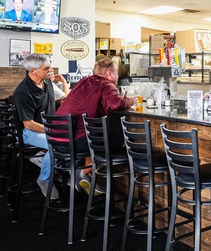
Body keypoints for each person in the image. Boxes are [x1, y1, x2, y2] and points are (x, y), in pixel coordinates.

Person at [55, 57, 137, 193]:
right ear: (109, 74)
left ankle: (86, 175)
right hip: (75, 140)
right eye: (116, 73)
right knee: (123, 140)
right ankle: (84, 174)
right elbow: (115, 104)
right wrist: (129, 102)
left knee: (96, 136)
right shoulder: (105, 84)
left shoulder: (84, 82)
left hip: (57, 140)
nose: (117, 77)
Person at [12, 53, 59, 199]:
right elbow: (29, 124)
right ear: (33, 71)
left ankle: (52, 165)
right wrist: (53, 130)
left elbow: (59, 101)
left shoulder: (48, 83)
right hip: (29, 132)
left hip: (48, 129)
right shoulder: (22, 92)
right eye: (46, 68)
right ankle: (44, 179)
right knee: (56, 144)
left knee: (69, 141)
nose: (51, 70)